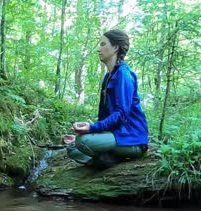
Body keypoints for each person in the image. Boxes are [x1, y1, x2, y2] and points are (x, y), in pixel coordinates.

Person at [64, 30, 149, 168]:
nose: (99, 49)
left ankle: (106, 159)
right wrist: (92, 132)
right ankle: (105, 159)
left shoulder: (124, 74)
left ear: (115, 48)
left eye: (103, 44)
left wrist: (91, 129)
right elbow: (105, 117)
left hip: (132, 139)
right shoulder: (107, 77)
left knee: (82, 142)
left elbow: (121, 114)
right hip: (116, 135)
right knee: (72, 147)